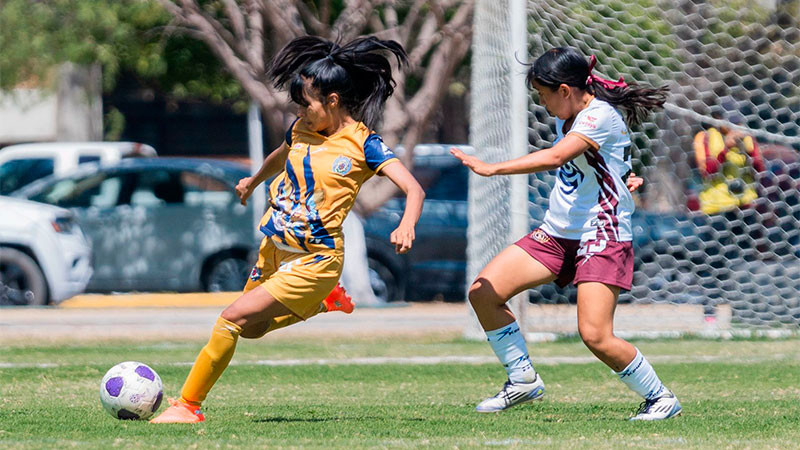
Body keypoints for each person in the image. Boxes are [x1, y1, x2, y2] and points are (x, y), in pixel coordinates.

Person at [150, 35, 425, 423]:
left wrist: (407, 224)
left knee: (230, 318)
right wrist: (253, 181)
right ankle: (324, 302)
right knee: (251, 330)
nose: (299, 111)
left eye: (305, 103)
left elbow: (414, 188)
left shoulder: (365, 144)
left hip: (316, 260)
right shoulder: (300, 129)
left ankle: (187, 407)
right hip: (274, 249)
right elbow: (280, 157)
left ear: (332, 100)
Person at [450, 47, 680, 421]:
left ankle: (660, 398)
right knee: (483, 293)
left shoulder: (598, 116)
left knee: (595, 335)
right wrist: (622, 180)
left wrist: (493, 169)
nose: (542, 104)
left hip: (601, 233)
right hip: (558, 233)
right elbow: (601, 165)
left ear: (565, 90)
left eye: (544, 95)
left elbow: (556, 157)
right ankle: (523, 379)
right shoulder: (569, 116)